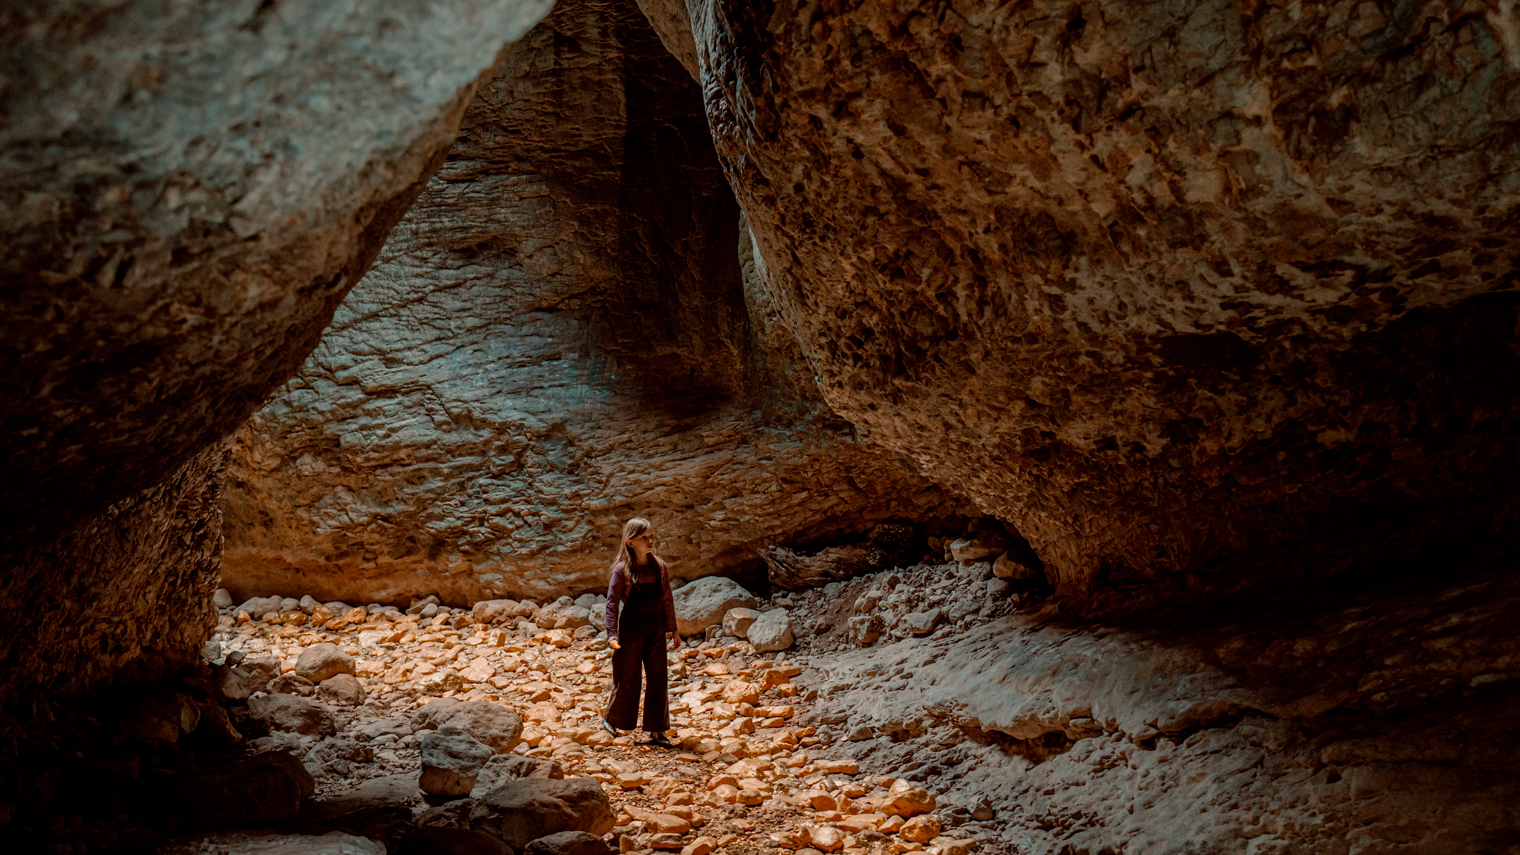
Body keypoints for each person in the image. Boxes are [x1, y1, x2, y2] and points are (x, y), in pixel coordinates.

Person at [602, 517, 682, 745]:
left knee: (658, 678)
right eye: (644, 537)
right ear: (630, 542)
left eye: (651, 536)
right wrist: (612, 634)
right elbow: (612, 603)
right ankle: (613, 720)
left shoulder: (660, 567)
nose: (650, 541)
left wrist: (673, 629)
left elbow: (667, 598)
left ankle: (657, 729)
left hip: (655, 628)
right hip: (631, 629)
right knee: (628, 677)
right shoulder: (622, 570)